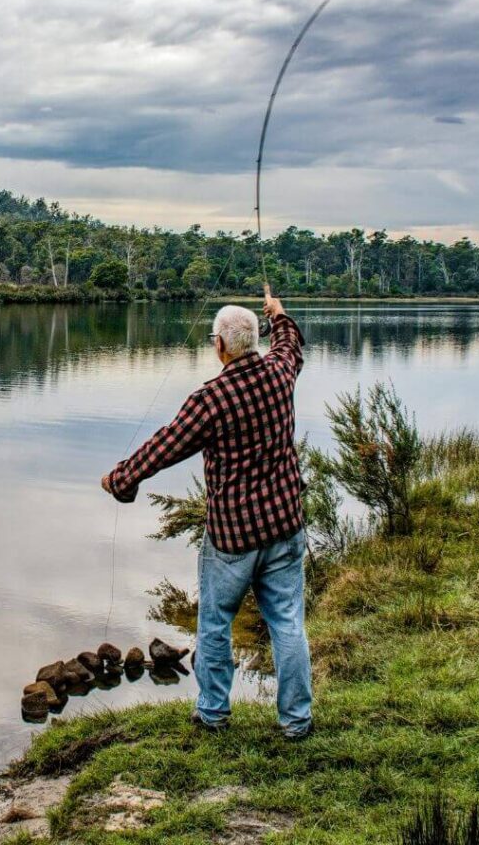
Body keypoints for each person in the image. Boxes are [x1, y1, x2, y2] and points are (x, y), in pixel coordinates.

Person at [101, 286, 312, 738]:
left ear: (219, 346)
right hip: (285, 526)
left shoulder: (211, 399)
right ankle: (296, 721)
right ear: (252, 341)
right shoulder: (279, 373)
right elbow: (290, 343)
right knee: (289, 623)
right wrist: (279, 313)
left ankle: (213, 713)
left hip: (233, 538)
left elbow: (165, 445)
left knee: (215, 625)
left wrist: (122, 479)